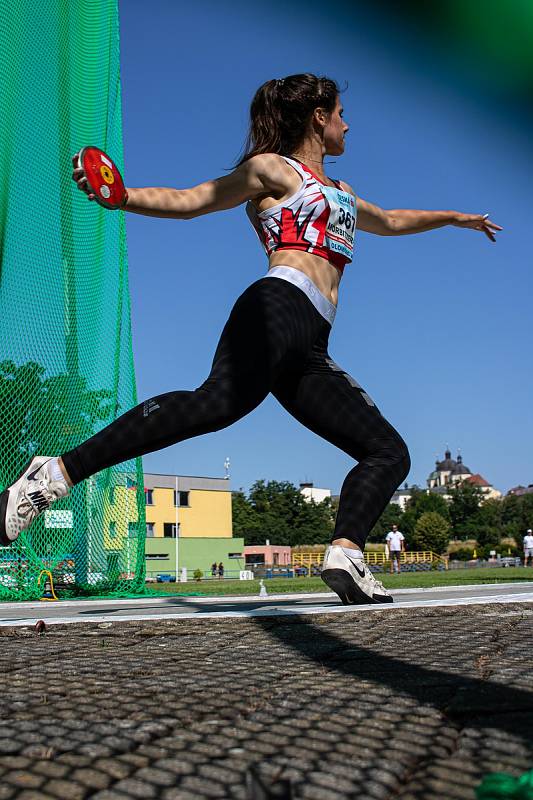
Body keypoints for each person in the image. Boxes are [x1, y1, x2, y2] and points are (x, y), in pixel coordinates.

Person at [0, 73, 502, 606]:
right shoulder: (272, 170)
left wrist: (455, 218)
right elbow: (194, 199)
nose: (346, 124)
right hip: (276, 305)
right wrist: (123, 197)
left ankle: (347, 553)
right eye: (340, 114)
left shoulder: (345, 194)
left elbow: (394, 219)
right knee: (213, 404)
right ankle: (51, 475)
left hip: (310, 344)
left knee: (388, 452)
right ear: (318, 116)